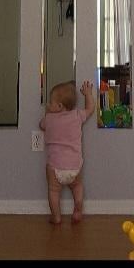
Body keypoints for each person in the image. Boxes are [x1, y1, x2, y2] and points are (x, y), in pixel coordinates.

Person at [39, 79, 95, 224]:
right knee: (77, 186)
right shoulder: (77, 115)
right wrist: (88, 94)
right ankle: (77, 210)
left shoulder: (49, 119)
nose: (48, 104)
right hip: (74, 166)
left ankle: (56, 216)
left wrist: (46, 113)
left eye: (50, 102)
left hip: (55, 166)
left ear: (59, 106)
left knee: (53, 191)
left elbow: (41, 125)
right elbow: (90, 109)